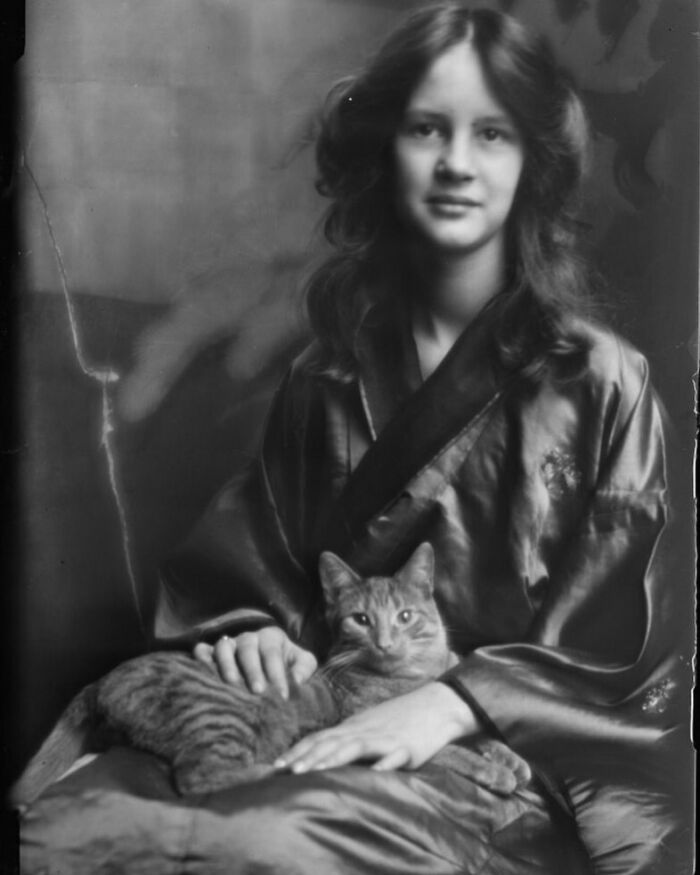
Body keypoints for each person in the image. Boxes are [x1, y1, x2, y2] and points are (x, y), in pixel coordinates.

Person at [21, 3, 692, 874]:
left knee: (251, 837)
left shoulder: (605, 381)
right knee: (69, 825)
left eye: (493, 133)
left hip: (502, 764)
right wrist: (251, 626)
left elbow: (631, 644)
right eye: (426, 129)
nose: (456, 163)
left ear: (533, 163)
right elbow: (256, 562)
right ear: (385, 151)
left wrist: (457, 704)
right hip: (316, 707)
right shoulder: (328, 373)